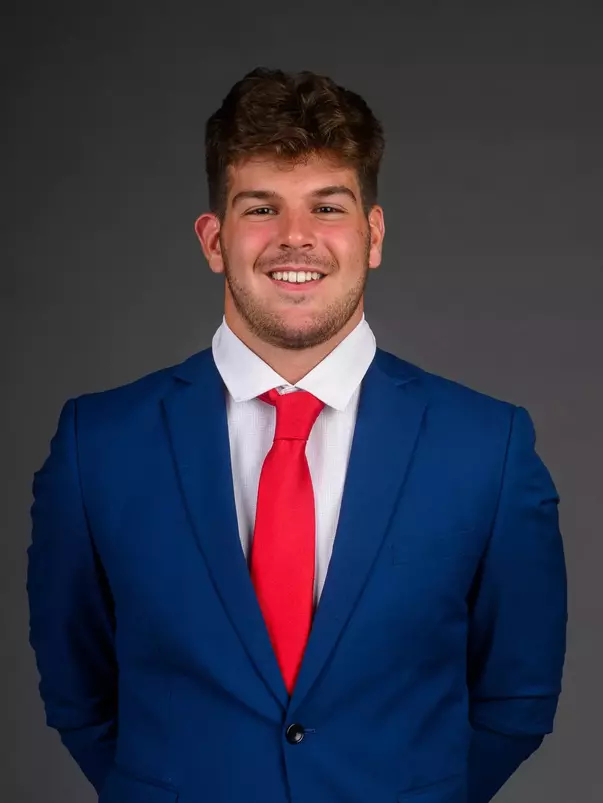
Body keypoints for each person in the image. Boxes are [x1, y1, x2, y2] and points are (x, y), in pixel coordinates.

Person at [27, 67, 567, 803]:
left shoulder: (487, 447)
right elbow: (79, 695)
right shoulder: (100, 444)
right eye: (261, 207)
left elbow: (516, 698)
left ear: (371, 235)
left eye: (327, 206)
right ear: (213, 239)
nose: (296, 238)